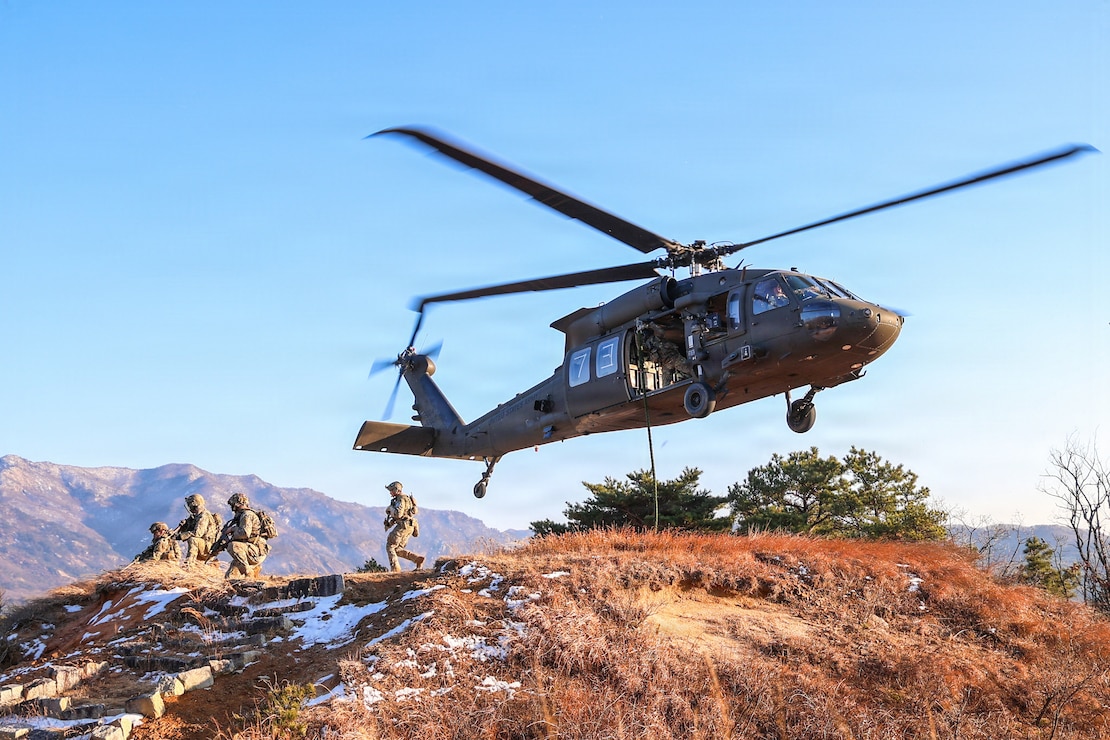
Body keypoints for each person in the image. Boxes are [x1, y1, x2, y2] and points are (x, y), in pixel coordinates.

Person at [216, 491, 269, 579]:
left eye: (232, 505)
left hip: (255, 551)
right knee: (229, 577)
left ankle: (249, 573)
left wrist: (232, 529)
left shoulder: (246, 515)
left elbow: (245, 533)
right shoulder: (242, 516)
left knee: (233, 546)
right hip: (251, 550)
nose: (232, 508)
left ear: (237, 504)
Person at [383, 481, 424, 572]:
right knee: (397, 549)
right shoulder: (407, 499)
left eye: (391, 490)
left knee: (390, 546)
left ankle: (395, 570)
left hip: (403, 526)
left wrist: (390, 509)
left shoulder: (400, 499)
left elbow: (398, 514)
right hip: (410, 527)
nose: (390, 493)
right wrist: (389, 524)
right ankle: (417, 559)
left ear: (396, 490)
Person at [175, 493, 221, 568]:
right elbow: (188, 530)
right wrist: (184, 526)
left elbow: (197, 533)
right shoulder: (195, 516)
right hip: (204, 544)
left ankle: (189, 564)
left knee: (193, 539)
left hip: (208, 546)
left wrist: (180, 536)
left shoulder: (204, 515)